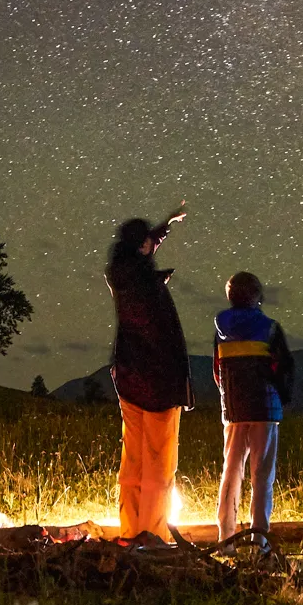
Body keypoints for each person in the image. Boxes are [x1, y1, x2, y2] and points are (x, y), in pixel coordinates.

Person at [106, 208, 189, 541]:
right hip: (158, 383)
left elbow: (143, 248)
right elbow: (159, 335)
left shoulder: (120, 274)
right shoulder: (147, 286)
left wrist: (165, 227)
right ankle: (152, 534)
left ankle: (129, 529)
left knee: (133, 460)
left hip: (127, 378)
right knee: (158, 462)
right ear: (141, 247)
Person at [212, 271, 294, 548]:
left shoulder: (220, 328)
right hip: (265, 409)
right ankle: (260, 542)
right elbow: (283, 368)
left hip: (234, 410)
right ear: (257, 295)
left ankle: (226, 540)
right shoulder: (270, 328)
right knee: (262, 478)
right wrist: (282, 397)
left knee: (231, 473)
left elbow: (217, 371)